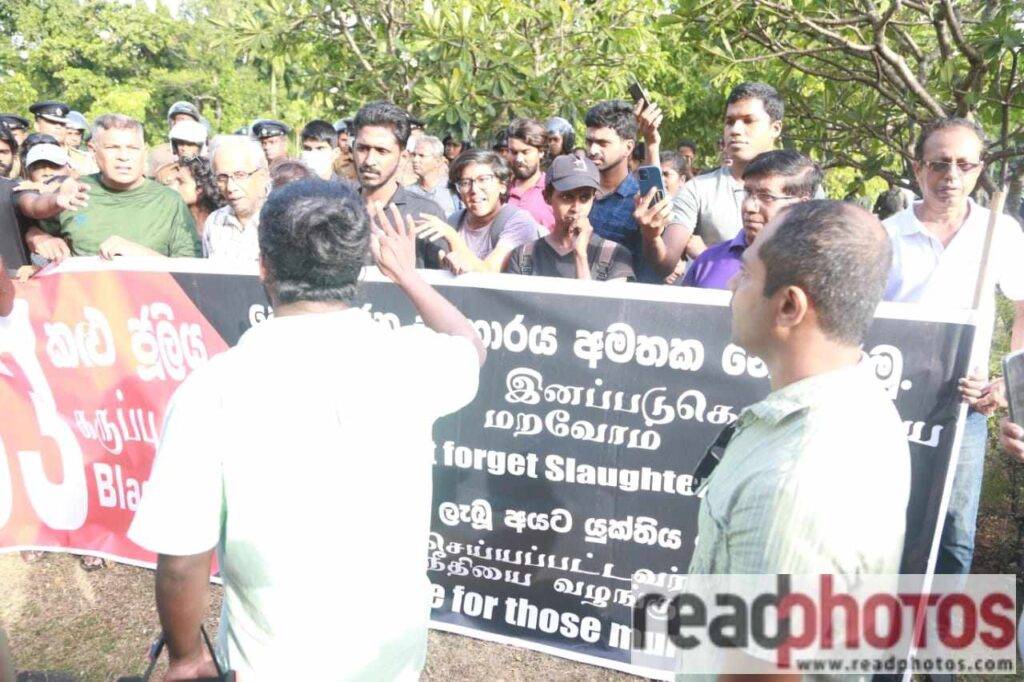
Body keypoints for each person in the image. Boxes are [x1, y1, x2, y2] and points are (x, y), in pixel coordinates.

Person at [127, 179, 484, 679]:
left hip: (271, 662)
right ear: (361, 265)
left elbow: (184, 557)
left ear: (264, 265)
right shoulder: (410, 360)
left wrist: (187, 658)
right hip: (389, 657)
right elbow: (467, 342)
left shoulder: (212, 388)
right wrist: (408, 276)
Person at [689, 200, 908, 580]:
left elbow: (751, 640)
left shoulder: (790, 487)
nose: (731, 284)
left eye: (745, 272)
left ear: (789, 306)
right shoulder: (860, 404)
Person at [883, 117, 1024, 575]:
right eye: (940, 164)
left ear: (979, 169)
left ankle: (940, 642)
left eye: (965, 165)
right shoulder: (885, 235)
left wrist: (1004, 385)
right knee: (887, 520)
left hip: (964, 407)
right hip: (890, 405)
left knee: (954, 531)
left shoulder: (998, 232)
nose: (952, 177)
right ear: (918, 167)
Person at [29, 114, 199, 259]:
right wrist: (38, 237)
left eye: (132, 148)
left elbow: (190, 271)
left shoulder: (169, 202)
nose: (124, 157)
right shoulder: (73, 192)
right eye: (112, 148)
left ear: (144, 151)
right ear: (93, 151)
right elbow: (22, 224)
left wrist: (140, 255)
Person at [672, 83, 786, 256]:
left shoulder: (802, 184)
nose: (735, 130)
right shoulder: (698, 189)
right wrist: (652, 234)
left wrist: (707, 257)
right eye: (730, 122)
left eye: (748, 121)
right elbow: (664, 261)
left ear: (775, 128)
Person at [682, 150, 821, 289]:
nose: (749, 206)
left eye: (766, 196)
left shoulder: (817, 270)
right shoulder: (708, 262)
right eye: (748, 193)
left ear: (800, 205)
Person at [584, 99, 689, 283]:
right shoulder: (578, 192)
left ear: (629, 147)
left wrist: (651, 143)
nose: (592, 150)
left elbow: (661, 264)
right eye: (589, 141)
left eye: (602, 143)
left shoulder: (640, 200)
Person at [506, 154, 633, 281]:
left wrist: (580, 256)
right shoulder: (524, 256)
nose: (576, 208)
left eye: (584, 198)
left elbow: (597, 302)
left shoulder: (614, 255)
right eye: (567, 197)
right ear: (547, 197)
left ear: (593, 199)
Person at [351, 100, 447, 267]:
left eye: (382, 151)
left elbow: (438, 286)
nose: (369, 160)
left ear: (402, 157)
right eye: (362, 149)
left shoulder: (425, 215)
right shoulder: (336, 208)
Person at [414, 149, 541, 274]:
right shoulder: (455, 220)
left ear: (502, 185)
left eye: (483, 179)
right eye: (465, 183)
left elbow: (490, 272)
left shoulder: (518, 222)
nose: (474, 189)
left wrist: (452, 237)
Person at [203, 135, 269, 261]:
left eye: (240, 175)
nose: (230, 187)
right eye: (222, 178)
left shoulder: (282, 221)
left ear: (262, 175)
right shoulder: (214, 222)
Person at [506, 118, 555, 232]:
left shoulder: (554, 191)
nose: (519, 159)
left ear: (541, 151)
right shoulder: (499, 190)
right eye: (513, 152)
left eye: (525, 152)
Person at [406, 135, 461, 216]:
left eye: (421, 156)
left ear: (438, 161)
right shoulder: (407, 192)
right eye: (414, 155)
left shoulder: (454, 190)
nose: (415, 160)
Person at [63, 111, 99, 176]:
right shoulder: (55, 154)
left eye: (77, 134)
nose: (74, 138)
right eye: (69, 133)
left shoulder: (88, 158)